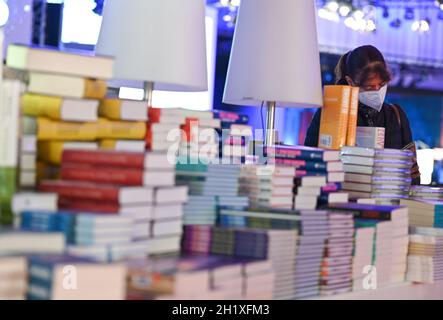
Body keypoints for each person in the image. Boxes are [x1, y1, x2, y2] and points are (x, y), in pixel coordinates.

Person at [304, 45, 420, 184]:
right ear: (350, 82)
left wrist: (410, 172)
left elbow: (413, 177)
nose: (377, 91)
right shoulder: (330, 113)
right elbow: (309, 163)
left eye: (382, 84)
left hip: (387, 200)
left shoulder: (396, 116)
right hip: (342, 197)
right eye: (369, 87)